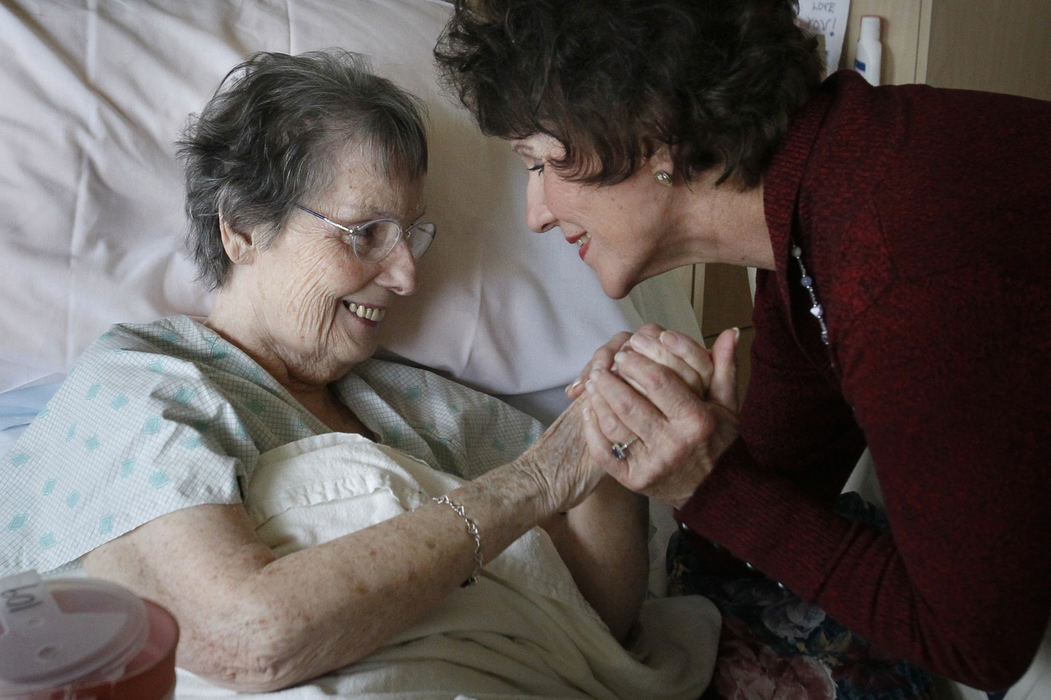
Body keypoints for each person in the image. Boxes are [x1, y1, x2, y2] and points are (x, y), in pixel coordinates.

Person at [0, 50, 719, 698]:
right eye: (365, 233)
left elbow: (593, 618)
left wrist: (603, 431)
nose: (405, 274)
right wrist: (533, 481)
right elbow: (243, 639)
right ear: (242, 228)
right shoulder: (145, 385)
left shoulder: (414, 405)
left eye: (412, 235)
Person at [434, 0, 1051, 693]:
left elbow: (977, 647)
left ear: (651, 132)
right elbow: (765, 509)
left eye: (544, 162)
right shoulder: (812, 214)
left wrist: (710, 481)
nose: (536, 213)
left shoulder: (891, 257)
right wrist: (687, 440)